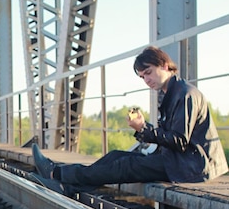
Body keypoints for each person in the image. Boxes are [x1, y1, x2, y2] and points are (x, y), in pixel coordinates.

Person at [32, 46, 228, 196]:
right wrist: (143, 129)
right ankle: (64, 185)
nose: (146, 80)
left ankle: (56, 174)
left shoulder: (185, 94)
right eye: (143, 77)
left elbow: (179, 141)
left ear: (165, 66)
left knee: (125, 166)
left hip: (191, 166)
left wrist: (145, 129)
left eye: (149, 72)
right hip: (177, 160)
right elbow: (170, 139)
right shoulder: (170, 93)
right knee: (116, 156)